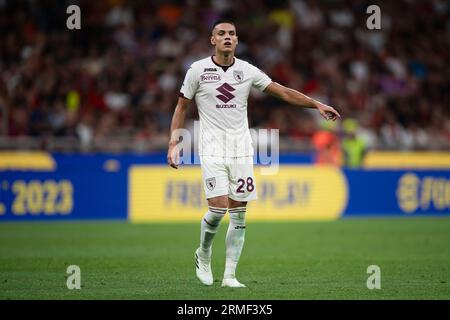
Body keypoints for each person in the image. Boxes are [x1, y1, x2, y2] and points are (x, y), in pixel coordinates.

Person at [167, 20, 340, 288]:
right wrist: (173, 143)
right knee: (217, 210)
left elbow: (281, 92)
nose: (227, 37)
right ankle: (203, 253)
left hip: (242, 151)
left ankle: (229, 276)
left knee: (239, 214)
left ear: (236, 41)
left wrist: (316, 104)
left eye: (232, 34)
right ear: (212, 39)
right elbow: (181, 107)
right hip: (211, 148)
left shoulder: (246, 71)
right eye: (221, 34)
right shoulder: (197, 70)